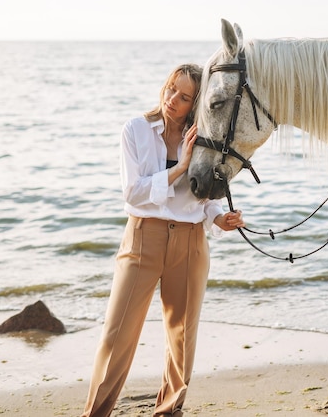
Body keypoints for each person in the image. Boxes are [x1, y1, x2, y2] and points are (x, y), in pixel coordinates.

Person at [81, 63, 244, 417]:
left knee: (182, 339)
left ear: (195, 103)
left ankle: (169, 411)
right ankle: (95, 413)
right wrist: (179, 168)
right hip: (143, 237)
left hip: (189, 243)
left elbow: (208, 198)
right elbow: (133, 193)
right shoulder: (136, 130)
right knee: (117, 335)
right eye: (172, 89)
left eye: (185, 97)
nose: (173, 99)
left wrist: (221, 218)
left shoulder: (203, 137)